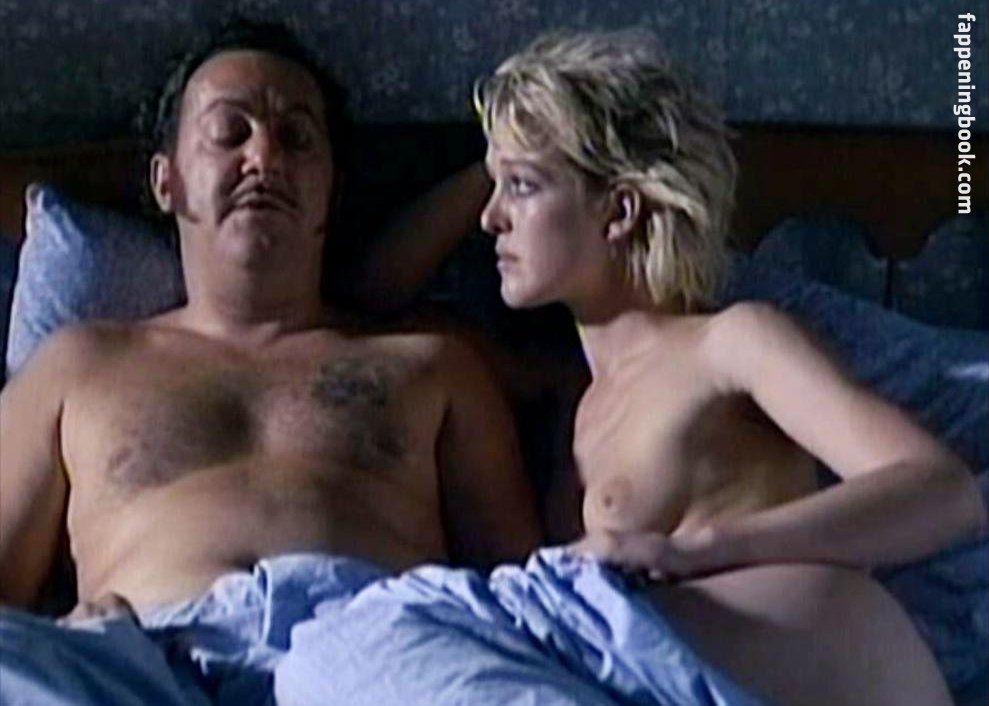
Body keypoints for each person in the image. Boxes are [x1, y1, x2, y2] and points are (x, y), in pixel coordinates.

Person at [369, 29, 988, 706]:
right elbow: (365, 307)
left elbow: (941, 492)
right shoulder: (563, 396)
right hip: (663, 681)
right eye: (494, 188)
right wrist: (496, 160)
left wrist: (698, 551)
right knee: (371, 641)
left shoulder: (732, 342)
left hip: (817, 673)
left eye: (520, 186)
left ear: (618, 211)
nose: (489, 219)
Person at [0, 18, 540, 704]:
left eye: (296, 138)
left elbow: (521, 596)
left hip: (377, 650)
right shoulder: (76, 366)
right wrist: (68, 647)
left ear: (330, 189)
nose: (264, 156)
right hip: (144, 659)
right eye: (230, 132)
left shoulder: (430, 366)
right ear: (167, 181)